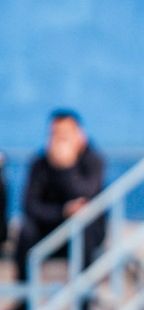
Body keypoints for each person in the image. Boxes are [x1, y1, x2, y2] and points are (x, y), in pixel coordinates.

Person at [17, 110, 105, 281]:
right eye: (55, 135)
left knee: (83, 226)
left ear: (80, 135)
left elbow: (85, 195)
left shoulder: (94, 160)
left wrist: (66, 168)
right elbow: (30, 205)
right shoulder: (39, 163)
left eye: (65, 135)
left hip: (84, 234)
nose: (59, 141)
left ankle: (83, 301)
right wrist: (63, 211)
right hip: (49, 228)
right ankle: (24, 298)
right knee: (25, 231)